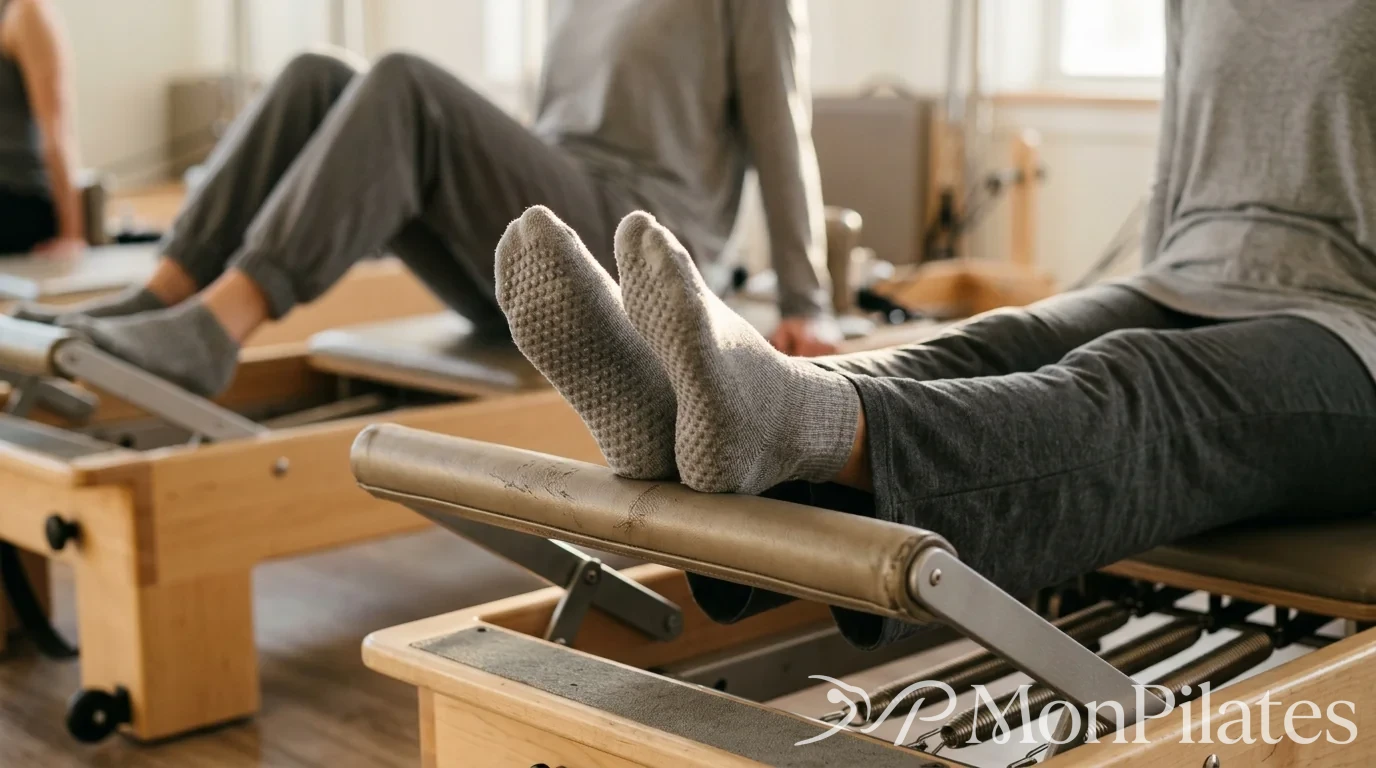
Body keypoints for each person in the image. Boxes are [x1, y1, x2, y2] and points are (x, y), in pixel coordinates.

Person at [493, 0, 1376, 648]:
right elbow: (1181, 181)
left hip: (1352, 331)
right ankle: (689, 419)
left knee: (1139, 378)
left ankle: (779, 416)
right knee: (993, 345)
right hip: (1188, 271)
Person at [12, 0, 836, 395]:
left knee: (407, 83)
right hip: (552, 232)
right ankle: (159, 297)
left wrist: (809, 299)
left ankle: (215, 329)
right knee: (316, 79)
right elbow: (557, 134)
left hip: (640, 247)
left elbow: (782, 134)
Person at [0, 0, 84, 255]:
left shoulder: (26, 13)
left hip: (18, 200)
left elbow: (55, 129)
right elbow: (56, 130)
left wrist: (72, 236)